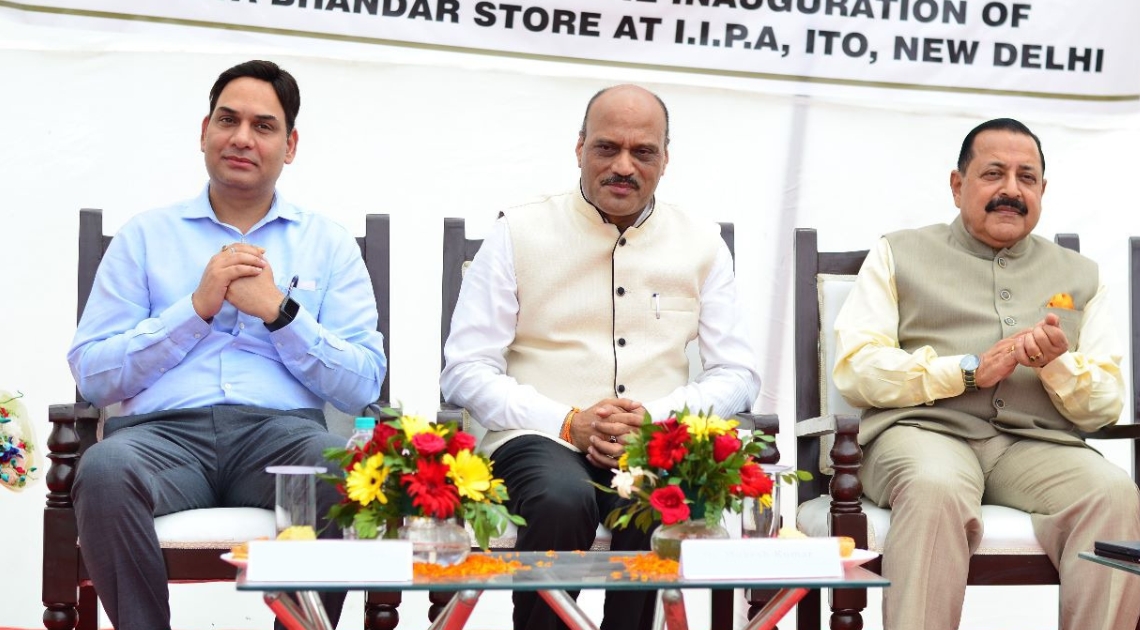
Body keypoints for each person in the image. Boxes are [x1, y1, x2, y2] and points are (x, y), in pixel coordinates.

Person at [68, 60, 386, 629]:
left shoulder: (328, 244)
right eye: (227, 120)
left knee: (342, 473)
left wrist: (281, 314)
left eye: (263, 126)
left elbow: (363, 383)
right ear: (203, 132)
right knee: (105, 469)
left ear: (289, 146)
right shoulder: (146, 236)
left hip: (281, 438)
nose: (242, 138)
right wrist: (194, 309)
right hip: (160, 441)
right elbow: (93, 374)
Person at [440, 84, 760, 630]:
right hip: (537, 438)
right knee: (562, 500)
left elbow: (739, 373)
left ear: (665, 159)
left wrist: (656, 423)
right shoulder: (518, 231)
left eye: (644, 152)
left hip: (654, 444)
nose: (624, 166)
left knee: (660, 500)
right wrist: (566, 422)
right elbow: (465, 368)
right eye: (607, 148)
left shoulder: (701, 242)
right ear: (580, 148)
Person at [832, 118, 1140, 629]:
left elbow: (1105, 402)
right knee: (934, 487)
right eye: (993, 174)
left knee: (1111, 494)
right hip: (922, 434)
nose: (1011, 191)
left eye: (1026, 178)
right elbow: (857, 369)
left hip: (1033, 447)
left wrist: (1056, 366)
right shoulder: (900, 251)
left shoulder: (1081, 275)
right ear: (958, 186)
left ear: (1043, 190)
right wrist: (969, 370)